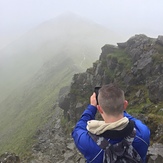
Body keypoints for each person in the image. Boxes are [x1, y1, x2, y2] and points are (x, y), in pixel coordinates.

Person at [72, 83, 150, 163]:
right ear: (125, 105)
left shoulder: (88, 143)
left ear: (99, 109)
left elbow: (78, 128)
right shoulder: (143, 132)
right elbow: (130, 119)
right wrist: (118, 106)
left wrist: (92, 107)